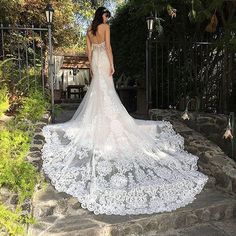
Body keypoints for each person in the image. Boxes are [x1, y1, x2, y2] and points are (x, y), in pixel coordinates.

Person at [42, 7, 208, 215]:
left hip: (95, 60)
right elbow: (109, 47)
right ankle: (109, 117)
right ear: (103, 16)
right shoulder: (105, 27)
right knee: (106, 89)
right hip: (103, 59)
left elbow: (88, 51)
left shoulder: (90, 30)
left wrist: (93, 66)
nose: (107, 18)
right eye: (106, 15)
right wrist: (112, 64)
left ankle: (99, 117)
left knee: (98, 90)